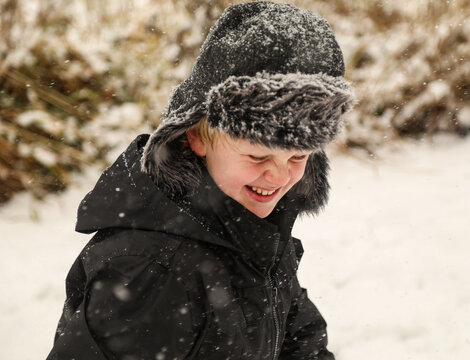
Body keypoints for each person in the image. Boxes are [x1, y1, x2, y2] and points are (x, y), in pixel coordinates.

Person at [47, 1, 354, 359]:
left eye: (299, 157)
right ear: (195, 136)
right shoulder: (153, 269)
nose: (280, 175)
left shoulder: (253, 229)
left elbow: (301, 341)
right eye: (257, 155)